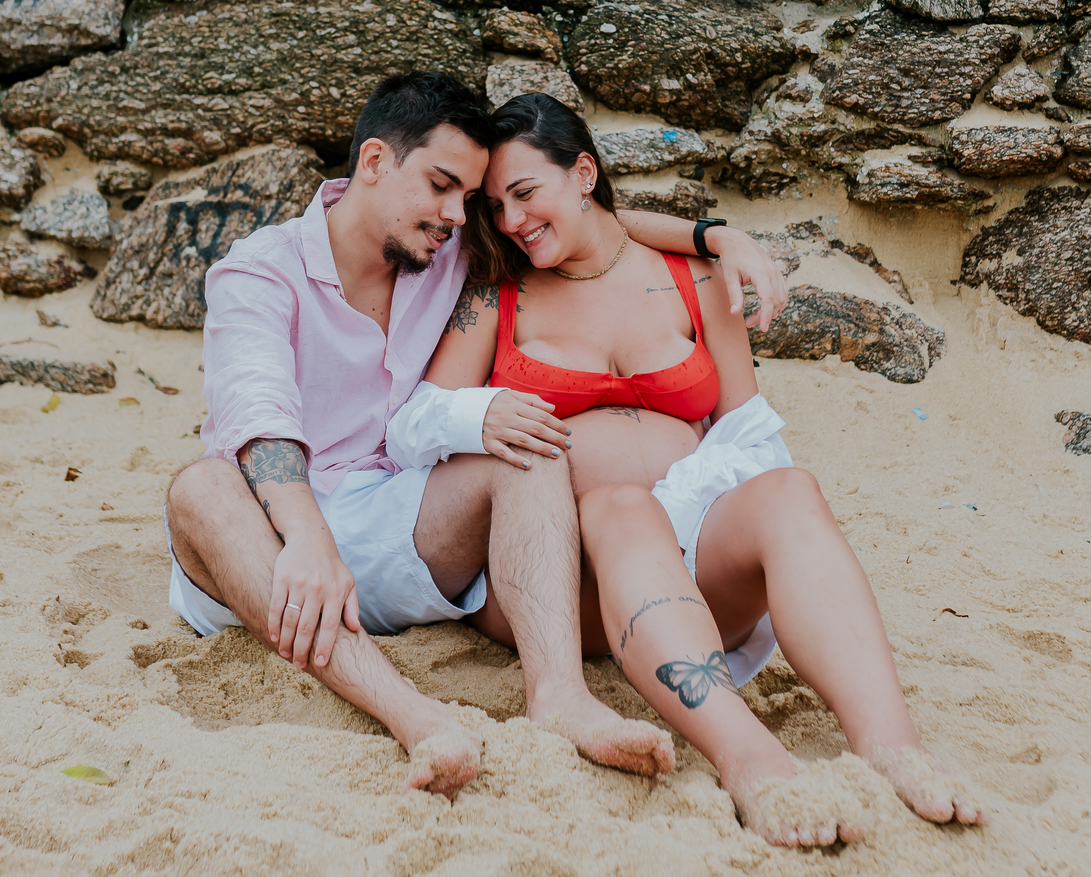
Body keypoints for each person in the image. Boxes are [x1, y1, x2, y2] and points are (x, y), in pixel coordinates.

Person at [165, 71, 790, 800]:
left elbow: (595, 221)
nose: (458, 215)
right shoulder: (259, 271)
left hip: (398, 526)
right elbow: (257, 414)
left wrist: (719, 236)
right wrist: (306, 541)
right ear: (374, 162)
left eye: (467, 198)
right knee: (200, 486)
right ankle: (415, 715)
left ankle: (558, 697)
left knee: (527, 442)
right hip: (269, 541)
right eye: (440, 185)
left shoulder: (445, 250)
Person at [407, 94, 988, 846]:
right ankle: (751, 760)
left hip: (682, 554)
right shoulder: (495, 291)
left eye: (525, 194)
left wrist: (717, 240)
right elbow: (417, 422)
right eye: (497, 207)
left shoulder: (695, 278)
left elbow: (745, 428)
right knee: (621, 507)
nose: (512, 221)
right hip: (558, 577)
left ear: (584, 173)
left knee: (788, 489)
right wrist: (480, 416)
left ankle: (891, 745)